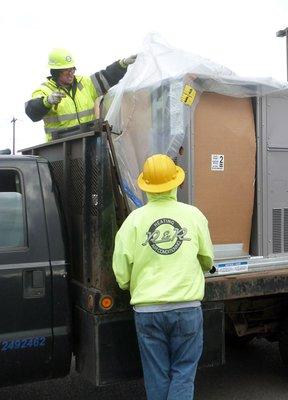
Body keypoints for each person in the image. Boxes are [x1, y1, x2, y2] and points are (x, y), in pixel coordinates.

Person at [112, 154, 214, 400]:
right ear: (176, 182)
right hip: (187, 308)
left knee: (156, 374)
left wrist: (130, 284)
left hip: (147, 312)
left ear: (145, 186)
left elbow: (121, 271)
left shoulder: (133, 221)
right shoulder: (194, 215)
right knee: (183, 372)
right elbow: (207, 260)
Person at [25, 48, 136, 141]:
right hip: (59, 148)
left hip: (88, 143)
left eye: (72, 69)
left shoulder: (85, 83)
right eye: (66, 70)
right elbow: (31, 112)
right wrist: (47, 102)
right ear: (55, 71)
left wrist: (122, 64)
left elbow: (106, 76)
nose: (71, 73)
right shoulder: (45, 90)